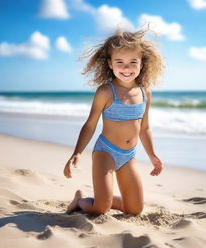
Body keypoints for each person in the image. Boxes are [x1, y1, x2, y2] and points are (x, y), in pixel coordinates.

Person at [63, 29, 164, 216]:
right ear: (110, 64)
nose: (126, 68)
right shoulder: (106, 92)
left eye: (133, 62)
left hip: (129, 155)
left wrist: (152, 155)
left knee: (134, 210)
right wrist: (76, 152)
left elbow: (145, 128)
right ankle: (81, 200)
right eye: (120, 62)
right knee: (100, 208)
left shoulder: (145, 93)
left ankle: (108, 200)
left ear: (142, 63)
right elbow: (91, 124)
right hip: (105, 152)